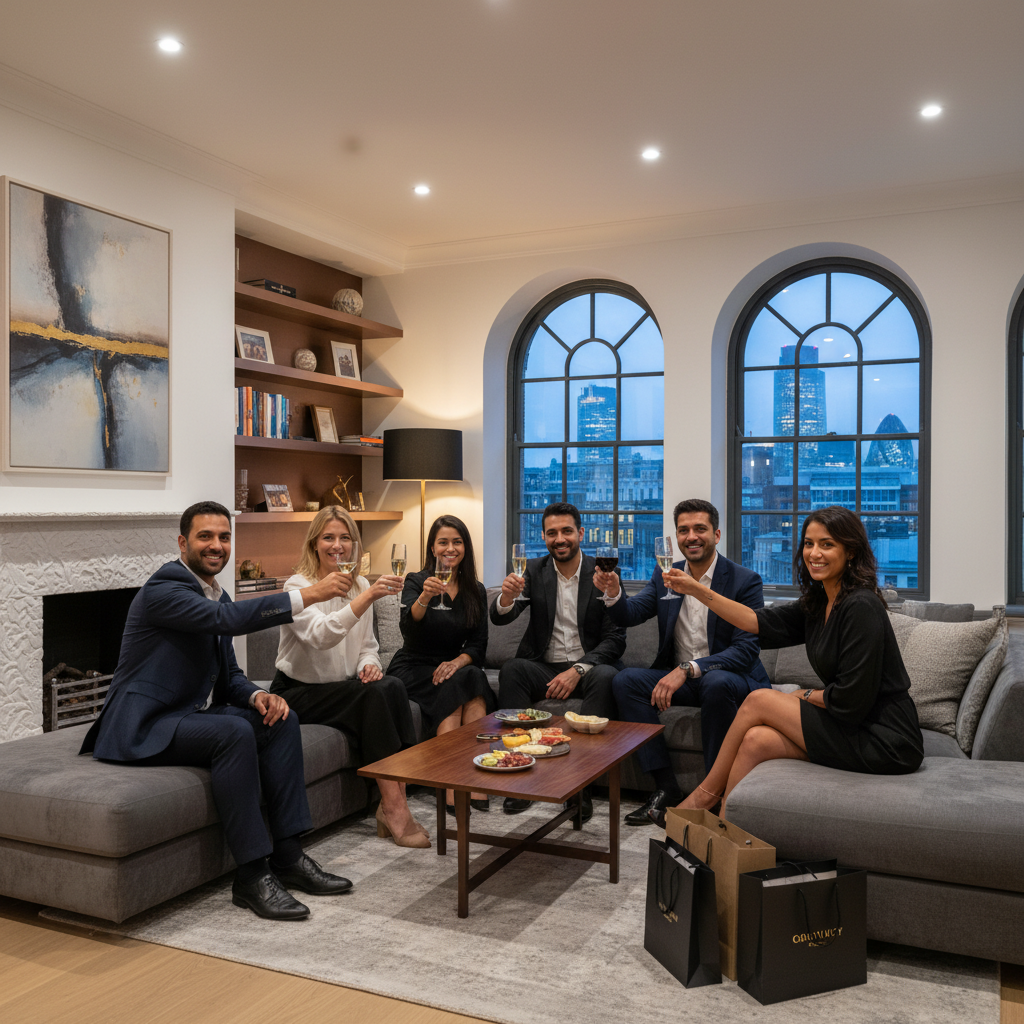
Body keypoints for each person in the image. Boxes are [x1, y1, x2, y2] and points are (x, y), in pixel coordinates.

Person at [80, 501, 353, 921]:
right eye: (205, 536)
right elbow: (225, 619)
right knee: (234, 734)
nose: (217, 545)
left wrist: (254, 697)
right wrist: (310, 594)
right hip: (143, 726)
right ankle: (250, 874)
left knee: (282, 720)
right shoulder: (165, 589)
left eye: (224, 537)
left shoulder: (214, 592)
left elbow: (229, 675)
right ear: (182, 542)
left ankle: (289, 856)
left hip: (188, 717)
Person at [668, 505, 924, 818]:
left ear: (851, 552)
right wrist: (696, 589)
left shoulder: (861, 606)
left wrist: (801, 695)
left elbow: (851, 700)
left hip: (886, 739)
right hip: (852, 727)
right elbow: (753, 620)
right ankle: (723, 832)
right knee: (755, 740)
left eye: (827, 544)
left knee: (761, 699)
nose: (814, 553)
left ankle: (702, 798)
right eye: (809, 543)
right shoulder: (820, 602)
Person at [595, 498, 770, 826]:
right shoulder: (666, 576)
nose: (692, 536)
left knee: (716, 683)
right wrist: (615, 593)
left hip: (732, 678)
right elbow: (630, 614)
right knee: (625, 681)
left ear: (716, 535)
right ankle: (665, 789)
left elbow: (745, 651)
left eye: (700, 529)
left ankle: (714, 796)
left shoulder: (745, 581)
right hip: (687, 681)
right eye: (684, 530)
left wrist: (687, 668)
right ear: (676, 537)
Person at [272, 506, 429, 849]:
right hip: (299, 691)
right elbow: (321, 636)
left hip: (342, 688)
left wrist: (368, 665)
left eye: (345, 538)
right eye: (328, 538)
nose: (337, 546)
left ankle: (398, 796)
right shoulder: (297, 586)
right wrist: (368, 596)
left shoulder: (358, 582)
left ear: (355, 545)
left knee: (391, 685)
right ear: (315, 543)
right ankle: (393, 808)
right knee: (375, 696)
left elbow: (367, 647)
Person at [491, 501, 626, 819]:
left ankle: (581, 790)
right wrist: (506, 598)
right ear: (544, 537)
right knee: (511, 670)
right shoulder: (533, 571)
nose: (560, 539)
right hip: (544, 666)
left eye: (567, 531)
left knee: (607, 676)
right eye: (552, 533)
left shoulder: (604, 573)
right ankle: (519, 780)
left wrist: (578, 670)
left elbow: (615, 640)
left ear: (580, 533)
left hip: (589, 667)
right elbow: (499, 619)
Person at [387, 515, 496, 812]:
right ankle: (448, 782)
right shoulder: (416, 581)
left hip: (452, 665)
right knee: (456, 681)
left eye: (457, 542)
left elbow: (478, 645)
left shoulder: (476, 588)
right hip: (413, 665)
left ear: (465, 547)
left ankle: (476, 776)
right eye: (443, 542)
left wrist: (457, 662)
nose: (451, 548)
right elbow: (408, 629)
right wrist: (424, 596)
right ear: (433, 548)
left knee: (471, 675)